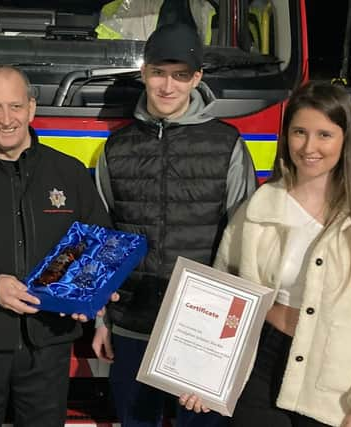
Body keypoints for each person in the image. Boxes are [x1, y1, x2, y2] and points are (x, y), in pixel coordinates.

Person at [180, 82, 351, 427]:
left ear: (346, 139)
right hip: (261, 363)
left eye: (324, 135)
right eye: (299, 132)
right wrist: (204, 375)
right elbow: (221, 296)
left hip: (334, 383)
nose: (309, 147)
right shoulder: (259, 207)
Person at [0, 65, 111, 427]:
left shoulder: (68, 174)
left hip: (49, 344)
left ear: (30, 108)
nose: (6, 118)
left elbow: (100, 247)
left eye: (14, 106)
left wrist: (85, 294)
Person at [91, 23, 257, 427]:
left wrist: (232, 341)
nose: (168, 86)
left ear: (196, 78)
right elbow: (105, 241)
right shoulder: (116, 149)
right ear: (145, 72)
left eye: (181, 75)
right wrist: (101, 319)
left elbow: (244, 245)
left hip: (203, 335)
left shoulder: (227, 145)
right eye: (159, 73)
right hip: (134, 326)